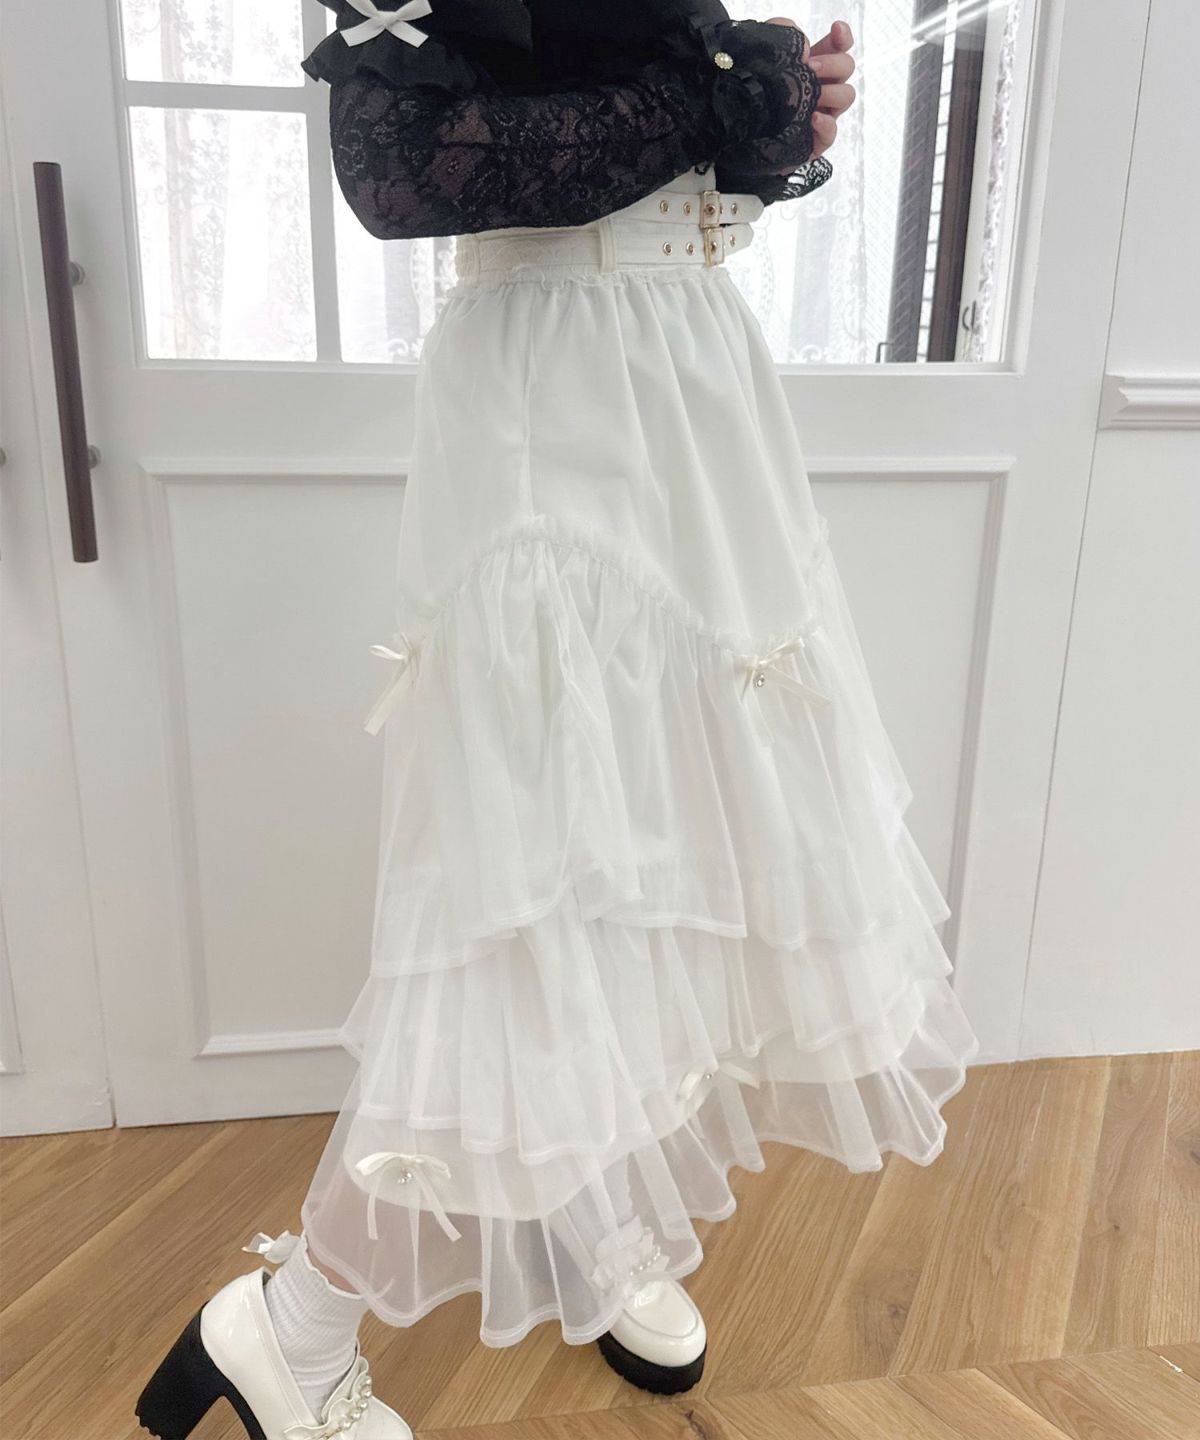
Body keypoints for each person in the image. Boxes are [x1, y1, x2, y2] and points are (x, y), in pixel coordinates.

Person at [136, 5, 979, 1438]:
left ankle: (594, 1202)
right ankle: (292, 1323)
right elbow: (401, 170)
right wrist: (717, 91)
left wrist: (781, 108)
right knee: (526, 877)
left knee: (667, 837)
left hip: (693, 378)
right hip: (552, 395)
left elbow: (677, 131)